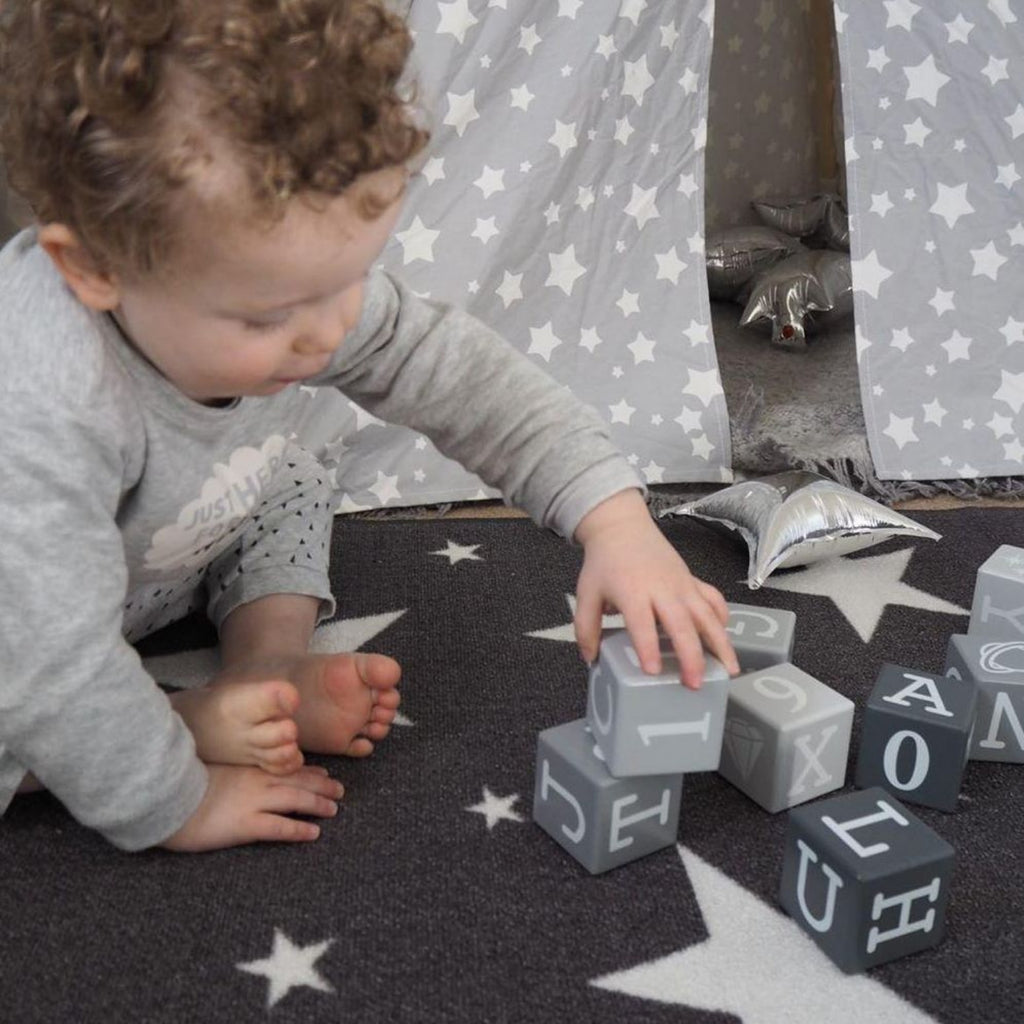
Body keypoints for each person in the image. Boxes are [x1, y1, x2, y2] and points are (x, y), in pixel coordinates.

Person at [0, 0, 738, 854]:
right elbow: (49, 657)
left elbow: (459, 376)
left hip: (153, 549)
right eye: (269, 316)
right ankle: (185, 720)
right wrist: (179, 801)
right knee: (34, 697)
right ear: (93, 267)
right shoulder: (41, 402)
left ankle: (264, 664)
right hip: (24, 613)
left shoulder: (293, 293)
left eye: (347, 279)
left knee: (296, 472)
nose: (326, 334)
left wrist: (614, 521)